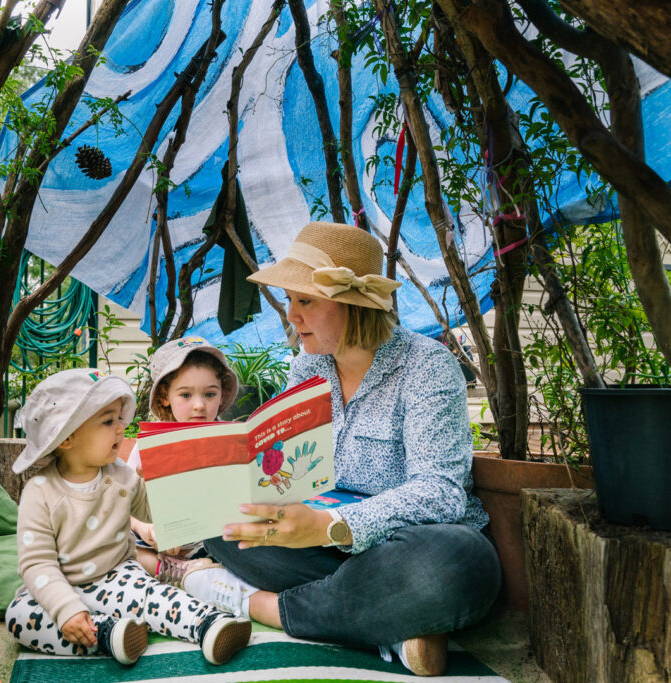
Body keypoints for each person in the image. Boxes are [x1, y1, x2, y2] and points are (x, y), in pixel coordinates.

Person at [181, 222, 501, 677]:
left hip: (402, 546)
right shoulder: (307, 367)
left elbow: (441, 492)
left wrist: (331, 525)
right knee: (218, 514)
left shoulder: (428, 367)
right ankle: (385, 619)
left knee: (457, 566)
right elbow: (284, 469)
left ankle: (258, 604)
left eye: (305, 300)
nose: (291, 315)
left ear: (353, 303)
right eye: (290, 300)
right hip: (322, 548)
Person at [4, 368, 251, 666]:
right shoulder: (39, 492)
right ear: (66, 437)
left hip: (118, 577)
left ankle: (209, 624)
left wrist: (158, 483)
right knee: (19, 617)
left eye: (120, 418)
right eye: (108, 421)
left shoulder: (122, 475)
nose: (121, 428)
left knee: (154, 596)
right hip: (61, 585)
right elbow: (37, 563)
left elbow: (152, 513)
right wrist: (65, 608)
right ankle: (110, 636)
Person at [126, 336, 240, 578]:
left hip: (214, 542)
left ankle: (199, 571)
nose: (199, 405)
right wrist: (145, 527)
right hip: (158, 541)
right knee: (120, 544)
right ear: (165, 397)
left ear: (221, 396)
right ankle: (173, 571)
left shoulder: (230, 440)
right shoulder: (149, 444)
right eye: (186, 395)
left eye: (210, 394)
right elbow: (124, 506)